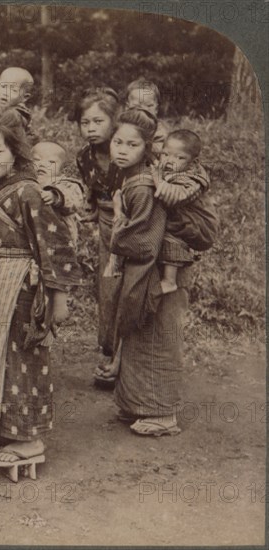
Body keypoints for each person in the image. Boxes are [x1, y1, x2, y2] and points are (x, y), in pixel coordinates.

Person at [0, 109, 81, 480]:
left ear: (15, 152)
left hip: (21, 288)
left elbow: (55, 245)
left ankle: (29, 439)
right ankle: (3, 428)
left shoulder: (30, 193)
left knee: (21, 357)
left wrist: (59, 298)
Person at [103, 108, 185, 436]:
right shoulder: (132, 178)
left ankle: (162, 414)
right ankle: (137, 404)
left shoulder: (142, 185)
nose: (122, 150)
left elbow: (145, 241)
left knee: (155, 336)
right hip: (144, 268)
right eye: (117, 142)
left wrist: (118, 225)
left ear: (147, 149)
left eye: (132, 145)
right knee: (137, 337)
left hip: (155, 268)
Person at [75, 87, 124, 369]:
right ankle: (111, 351)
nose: (91, 129)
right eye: (85, 122)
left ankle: (127, 357)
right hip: (106, 228)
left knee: (129, 289)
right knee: (107, 287)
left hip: (135, 226)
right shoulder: (84, 157)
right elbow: (91, 194)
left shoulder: (129, 149)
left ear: (114, 121)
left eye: (98, 121)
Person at [153, 129, 218, 293]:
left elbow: (176, 197)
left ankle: (170, 281)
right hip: (187, 217)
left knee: (171, 233)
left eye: (179, 157)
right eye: (166, 154)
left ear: (193, 162)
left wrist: (157, 181)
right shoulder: (173, 168)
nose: (170, 161)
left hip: (201, 225)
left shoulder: (192, 179)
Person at [32, 141, 84, 245]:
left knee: (60, 257)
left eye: (51, 162)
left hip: (60, 236)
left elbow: (74, 199)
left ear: (62, 169)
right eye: (37, 160)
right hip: (34, 233)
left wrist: (55, 197)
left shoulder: (65, 183)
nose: (42, 164)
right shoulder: (28, 181)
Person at [125, 78, 169, 157]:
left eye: (149, 106)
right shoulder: (123, 125)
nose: (144, 110)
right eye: (137, 106)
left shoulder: (159, 131)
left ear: (156, 109)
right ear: (127, 107)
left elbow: (161, 150)